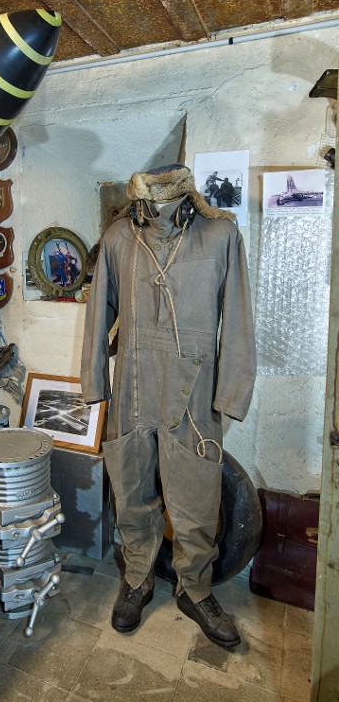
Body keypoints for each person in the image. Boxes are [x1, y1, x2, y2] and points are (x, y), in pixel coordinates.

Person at [80, 163, 256, 649]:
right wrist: (95, 383)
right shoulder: (119, 238)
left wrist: (232, 394)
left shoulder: (220, 235)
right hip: (133, 384)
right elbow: (98, 316)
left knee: (196, 496)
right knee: (131, 488)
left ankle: (195, 589)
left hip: (195, 389)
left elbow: (238, 318)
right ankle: (138, 578)